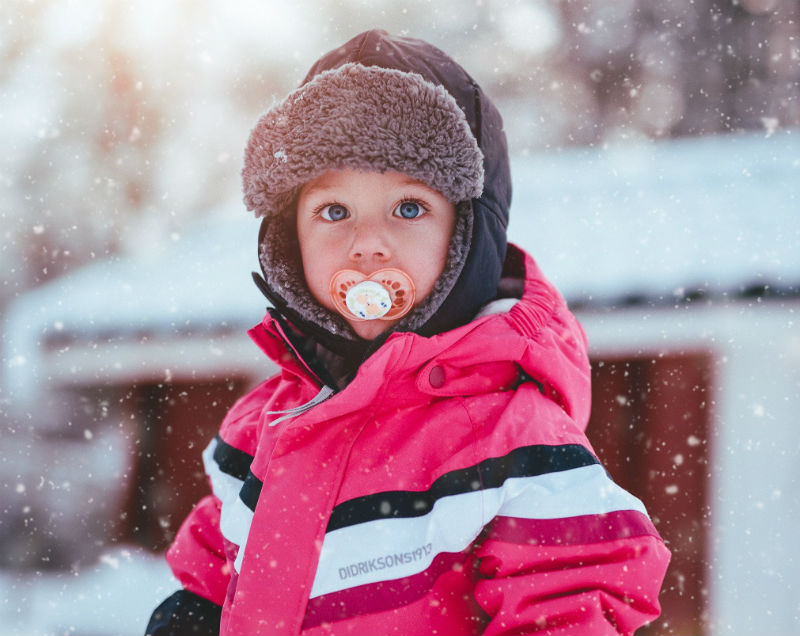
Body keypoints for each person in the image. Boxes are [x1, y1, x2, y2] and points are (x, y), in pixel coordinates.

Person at [146, 29, 670, 636]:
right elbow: (218, 566)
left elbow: (571, 604)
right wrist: (194, 616)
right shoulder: (263, 426)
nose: (367, 242)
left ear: (468, 236)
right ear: (290, 237)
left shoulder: (514, 442)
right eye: (334, 211)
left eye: (409, 207)